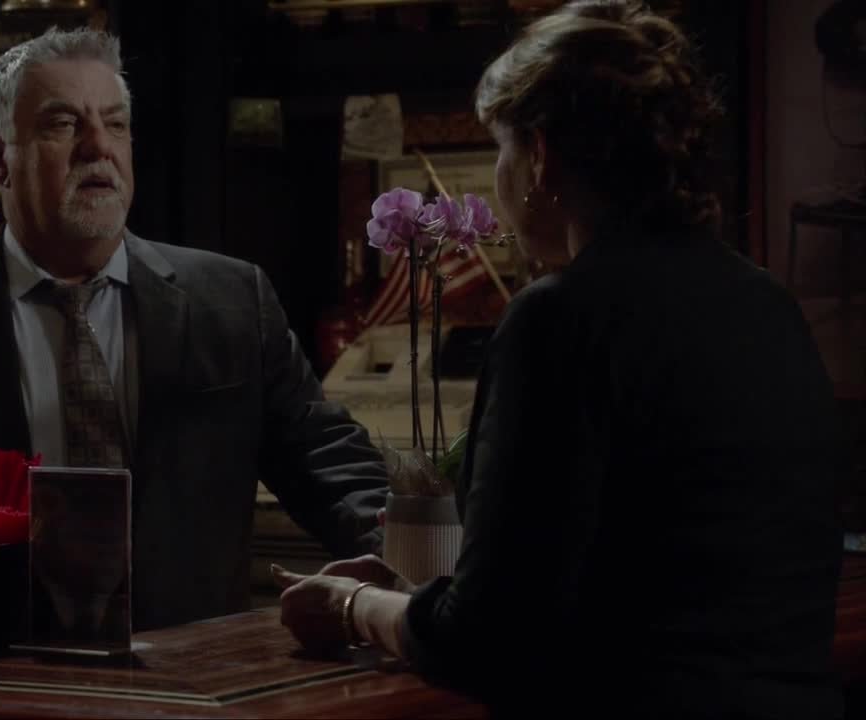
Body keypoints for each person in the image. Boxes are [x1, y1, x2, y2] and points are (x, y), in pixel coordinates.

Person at [273, 2, 847, 718]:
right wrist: (417, 599)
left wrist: (354, 605)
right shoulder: (767, 305)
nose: (499, 174)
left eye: (501, 148)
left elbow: (485, 642)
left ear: (540, 155)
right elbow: (642, 580)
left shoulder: (560, 319)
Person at [0, 27, 388, 631]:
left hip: (189, 677)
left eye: (115, 124)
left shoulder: (231, 300)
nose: (98, 146)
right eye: (63, 124)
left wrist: (408, 547)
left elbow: (325, 458)